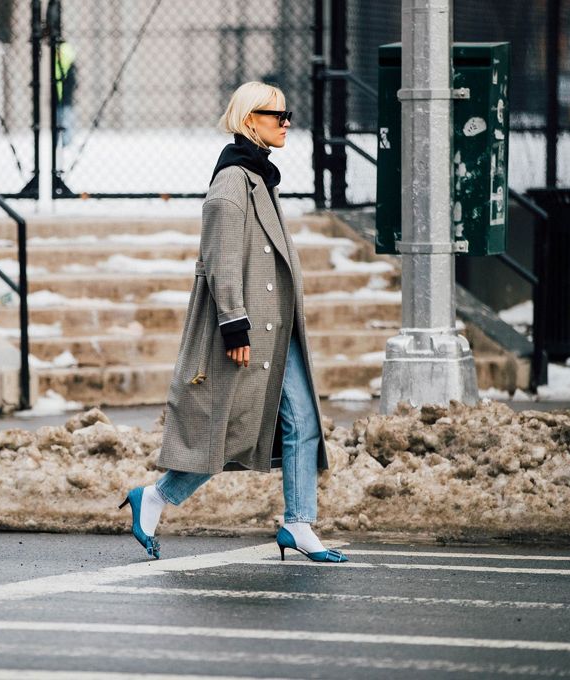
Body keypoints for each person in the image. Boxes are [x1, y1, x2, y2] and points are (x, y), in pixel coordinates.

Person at [118, 81, 348, 564]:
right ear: (249, 120)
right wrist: (234, 325)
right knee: (226, 430)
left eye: (288, 115)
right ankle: (156, 497)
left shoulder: (259, 175)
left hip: (275, 325)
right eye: (276, 115)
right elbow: (219, 260)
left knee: (301, 420)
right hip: (249, 328)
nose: (286, 123)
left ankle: (299, 523)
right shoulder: (232, 182)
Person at [55, 41, 77, 147]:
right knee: (60, 119)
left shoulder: (68, 68)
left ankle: (66, 142)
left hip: (65, 99)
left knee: (65, 120)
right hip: (59, 99)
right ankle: (62, 141)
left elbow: (72, 84)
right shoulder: (58, 66)